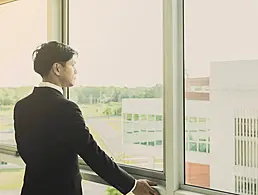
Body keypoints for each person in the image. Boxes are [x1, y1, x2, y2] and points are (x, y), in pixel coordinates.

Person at [13, 41, 159, 195]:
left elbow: (25, 151)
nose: (76, 70)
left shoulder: (21, 106)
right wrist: (132, 185)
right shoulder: (65, 108)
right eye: (72, 65)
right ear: (57, 68)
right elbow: (92, 154)